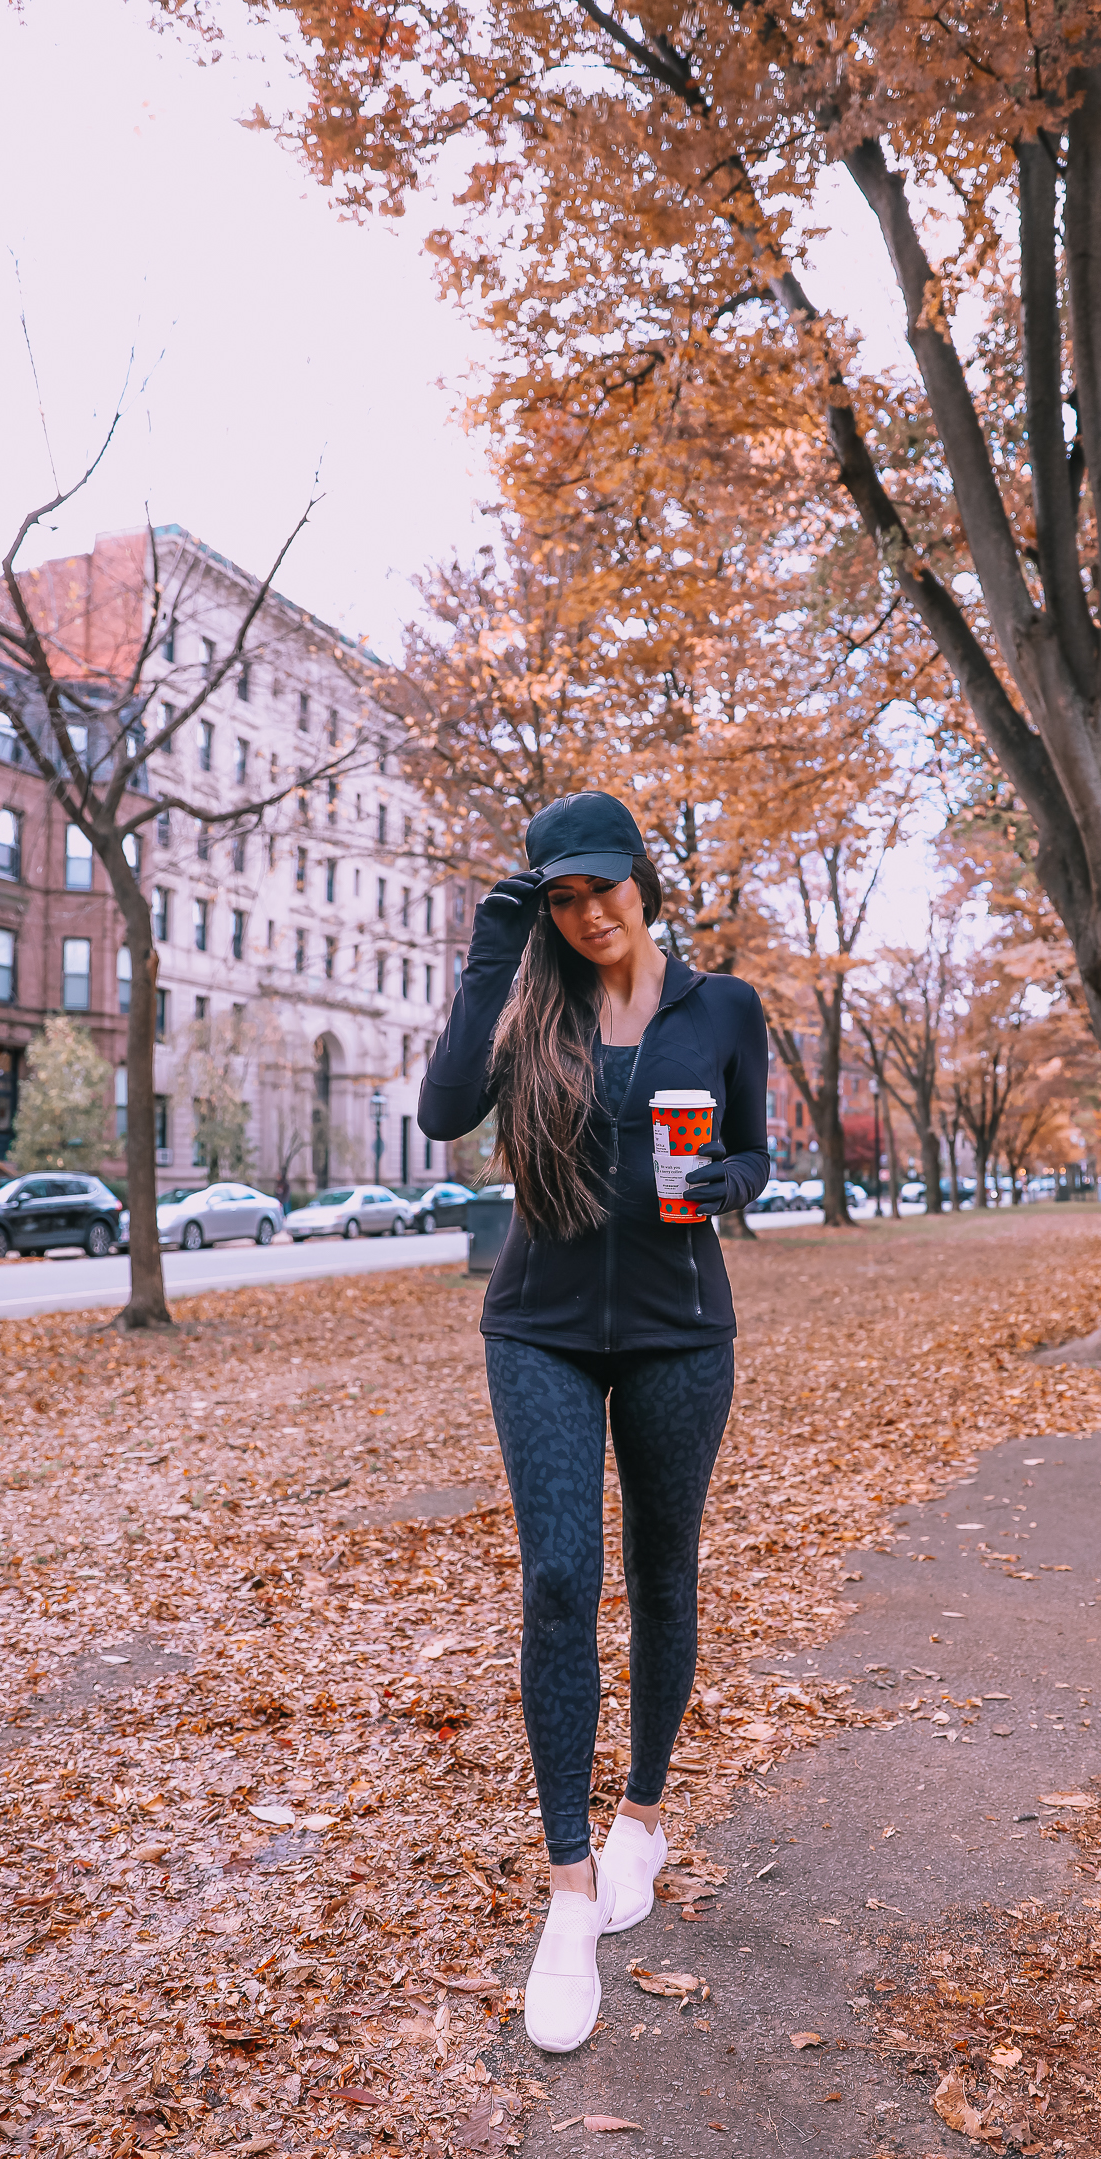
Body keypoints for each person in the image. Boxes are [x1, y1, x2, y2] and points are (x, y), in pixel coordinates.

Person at [418, 790, 769, 2053]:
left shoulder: (721, 1006)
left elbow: (758, 1154)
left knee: (663, 1576)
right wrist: (490, 955)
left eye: (603, 886)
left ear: (643, 880)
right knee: (561, 1580)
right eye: (561, 896)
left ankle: (642, 1818)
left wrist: (729, 1179)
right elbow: (443, 1114)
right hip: (541, 1329)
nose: (589, 911)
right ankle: (568, 1894)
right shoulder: (529, 1004)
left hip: (682, 1331)